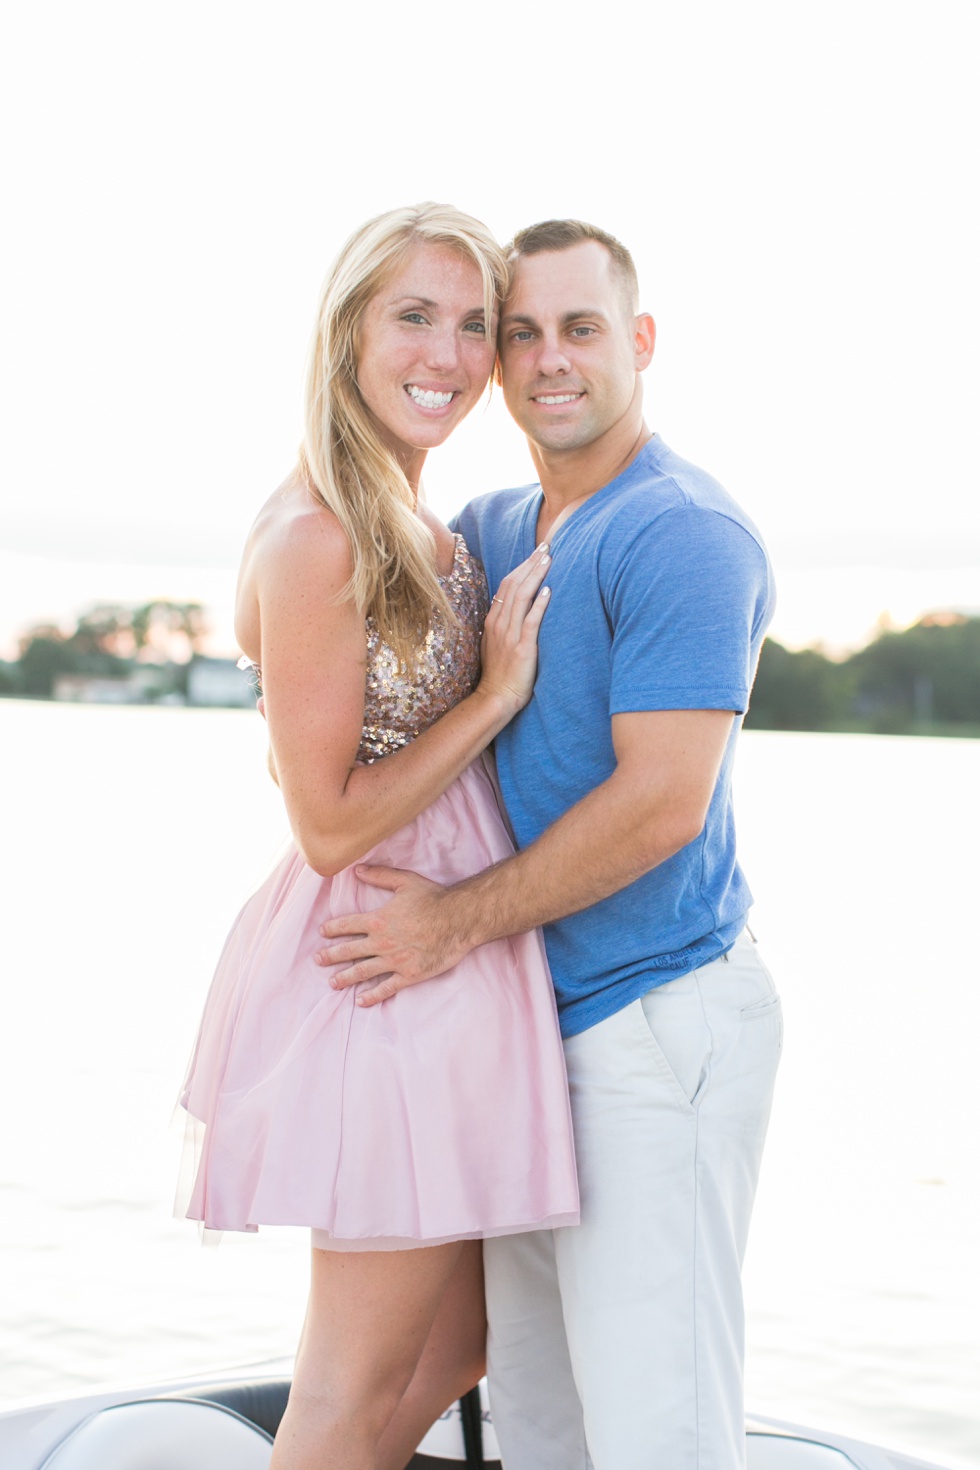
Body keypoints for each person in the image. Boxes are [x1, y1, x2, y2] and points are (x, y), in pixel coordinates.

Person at [317, 219, 783, 1470]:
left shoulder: (683, 530)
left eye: (578, 329)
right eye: (515, 331)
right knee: (541, 1429)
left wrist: (444, 924)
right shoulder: (492, 521)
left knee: (656, 1435)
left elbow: (659, 805)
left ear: (636, 342)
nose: (543, 359)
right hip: (526, 1037)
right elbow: (364, 689)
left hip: (652, 1026)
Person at [176, 203, 579, 1470]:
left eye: (475, 326)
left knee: (459, 1339)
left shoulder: (412, 515)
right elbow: (327, 815)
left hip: (447, 971)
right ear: (348, 329)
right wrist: (493, 700)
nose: (450, 357)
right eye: (414, 316)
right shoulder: (316, 535)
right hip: (378, 971)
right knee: (350, 1384)